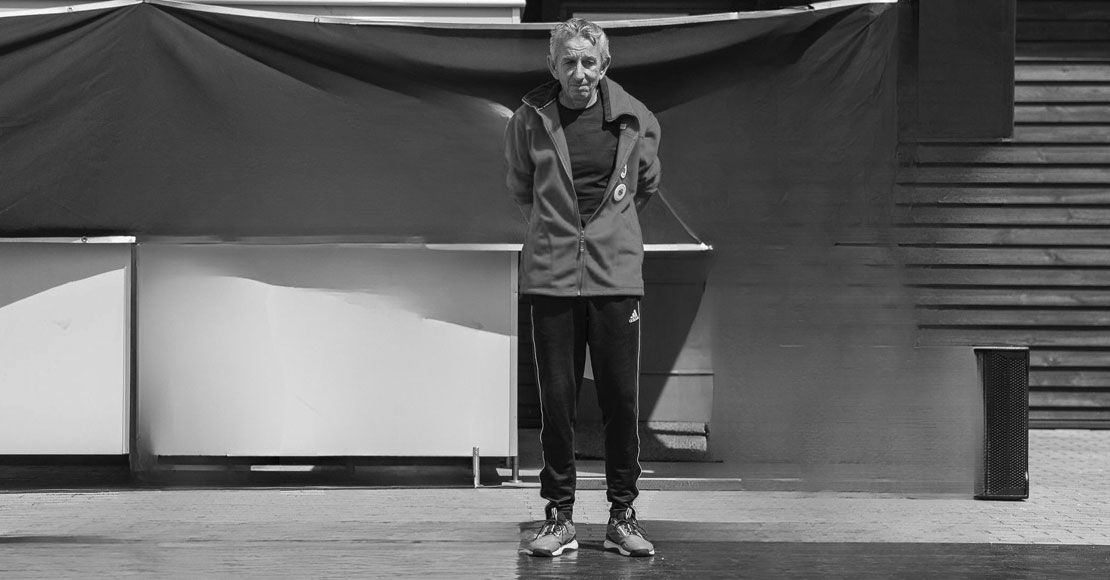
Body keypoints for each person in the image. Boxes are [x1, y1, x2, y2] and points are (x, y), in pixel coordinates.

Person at [504, 17, 661, 558]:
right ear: (553, 66)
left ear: (604, 65)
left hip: (616, 277)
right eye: (568, 61)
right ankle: (559, 517)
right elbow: (521, 187)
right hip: (551, 279)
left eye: (588, 61)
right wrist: (559, 235)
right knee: (557, 402)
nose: (579, 72)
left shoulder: (636, 118)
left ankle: (622, 516)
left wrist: (605, 234)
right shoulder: (529, 120)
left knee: (620, 399)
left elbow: (645, 185)